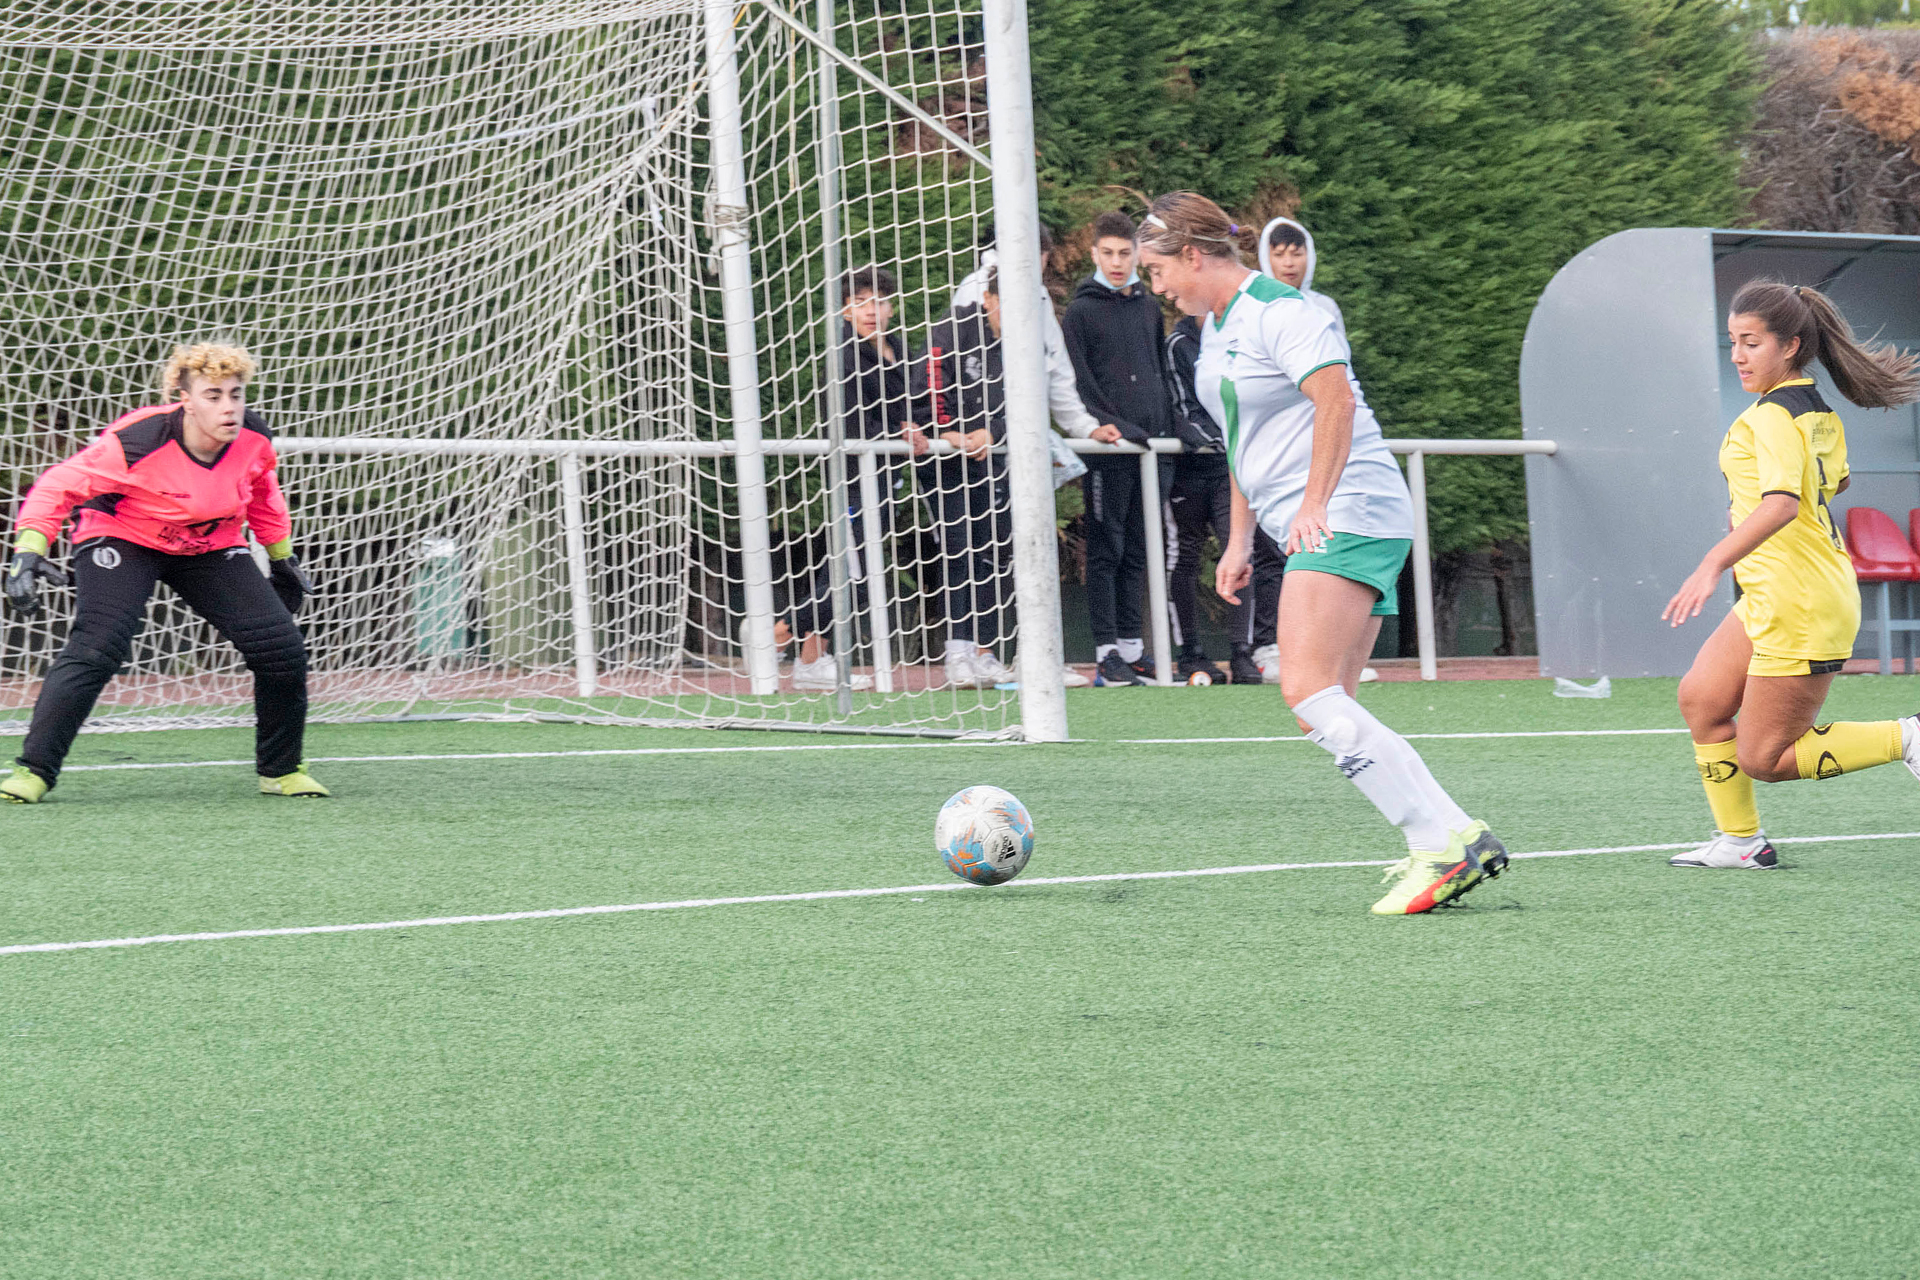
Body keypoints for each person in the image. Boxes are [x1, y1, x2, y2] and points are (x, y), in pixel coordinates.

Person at [1136, 192, 1506, 915]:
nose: (1158, 287)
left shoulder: (1284, 311)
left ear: (1193, 256)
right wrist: (1239, 539)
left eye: (1157, 271)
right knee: (1326, 705)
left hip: (1349, 507)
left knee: (1305, 689)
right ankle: (1458, 834)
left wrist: (1313, 503)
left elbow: (1336, 402)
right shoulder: (1214, 329)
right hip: (1329, 514)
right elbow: (1243, 439)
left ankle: (1437, 845)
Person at [1663, 281, 1920, 868]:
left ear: (1791, 345)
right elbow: (1836, 481)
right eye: (1733, 341)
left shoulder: (1775, 415)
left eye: (1751, 343)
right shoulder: (1813, 408)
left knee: (1764, 759)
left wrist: (1713, 561)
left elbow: (1782, 504)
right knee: (1702, 700)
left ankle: (1907, 736)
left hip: (1799, 600)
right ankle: (1741, 843)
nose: (1738, 355)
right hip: (1778, 590)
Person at [1, 343, 325, 803]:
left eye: (236, 394)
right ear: (185, 399)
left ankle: (282, 771)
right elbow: (58, 486)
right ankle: (33, 771)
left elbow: (262, 492)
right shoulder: (138, 440)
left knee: (282, 649)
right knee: (98, 646)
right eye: (213, 395)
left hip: (208, 544)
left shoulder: (253, 438)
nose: (229, 407)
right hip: (122, 535)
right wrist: (29, 549)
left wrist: (281, 557)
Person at [779, 266, 922, 693]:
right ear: (845, 310)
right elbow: (850, 421)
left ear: (892, 307)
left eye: (879, 302)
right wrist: (899, 432)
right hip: (854, 477)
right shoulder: (843, 353)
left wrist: (914, 428)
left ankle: (810, 662)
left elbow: (908, 407)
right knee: (854, 571)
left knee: (852, 568)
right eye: (860, 303)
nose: (871, 311)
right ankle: (777, 632)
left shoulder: (899, 349)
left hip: (887, 475)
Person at [1257, 215, 1378, 685]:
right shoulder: (1257, 310)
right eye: (1279, 253)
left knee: (1332, 543)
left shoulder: (1324, 307)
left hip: (1325, 444)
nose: (1289, 262)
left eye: (1297, 252)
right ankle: (1272, 649)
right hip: (1280, 451)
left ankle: (1335, 654)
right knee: (1276, 550)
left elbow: (1340, 384)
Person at [1062, 210, 1177, 687]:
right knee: (1106, 550)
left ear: (1136, 254)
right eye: (1107, 253)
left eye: (1124, 253)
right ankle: (1105, 652)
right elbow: (1078, 385)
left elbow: (1158, 372)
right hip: (1109, 454)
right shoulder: (1079, 312)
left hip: (1150, 452)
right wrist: (1114, 427)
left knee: (1139, 548)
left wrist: (1166, 427)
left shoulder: (1149, 308)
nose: (1116, 262)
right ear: (1093, 254)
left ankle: (1132, 649)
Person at [1164, 310, 1285, 684]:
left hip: (1228, 468)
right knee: (1185, 556)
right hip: (1187, 469)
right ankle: (1191, 655)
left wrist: (1242, 443)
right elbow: (1183, 407)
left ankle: (1242, 653)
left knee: (1241, 549)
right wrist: (1219, 439)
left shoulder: (1240, 340)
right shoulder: (1178, 345)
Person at [918, 268, 1019, 689]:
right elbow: (927, 387)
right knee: (957, 549)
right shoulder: (951, 331)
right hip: (943, 463)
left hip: (986, 462)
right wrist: (949, 433)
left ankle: (984, 651)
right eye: (1007, 303)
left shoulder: (1016, 345)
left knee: (990, 551)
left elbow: (1021, 401)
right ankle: (956, 653)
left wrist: (991, 433)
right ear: (988, 299)